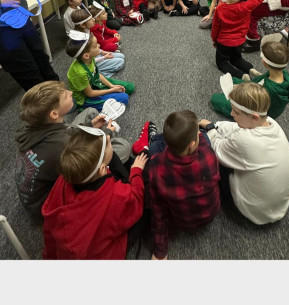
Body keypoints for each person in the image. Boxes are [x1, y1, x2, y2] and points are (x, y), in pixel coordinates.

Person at [14, 80, 131, 221]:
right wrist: (107, 133)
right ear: (54, 114)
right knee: (123, 147)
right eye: (66, 96)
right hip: (51, 203)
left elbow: (65, 130)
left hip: (42, 187)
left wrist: (91, 125)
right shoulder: (60, 145)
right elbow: (86, 155)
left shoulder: (34, 126)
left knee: (90, 113)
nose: (70, 92)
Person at [42, 125, 148, 259]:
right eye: (107, 144)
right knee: (147, 201)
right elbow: (135, 203)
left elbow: (48, 232)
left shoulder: (64, 179)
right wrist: (136, 171)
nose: (108, 138)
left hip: (71, 250)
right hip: (104, 255)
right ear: (103, 170)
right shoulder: (116, 195)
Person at [199, 82, 289, 225]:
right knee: (230, 138)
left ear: (254, 117)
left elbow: (218, 148)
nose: (231, 114)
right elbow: (235, 127)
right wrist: (217, 125)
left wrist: (210, 128)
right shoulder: (270, 122)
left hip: (254, 210)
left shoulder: (245, 140)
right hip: (277, 205)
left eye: (236, 113)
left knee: (207, 149)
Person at [146, 110, 221, 260]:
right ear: (192, 145)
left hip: (182, 222)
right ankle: (177, 136)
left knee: (154, 146)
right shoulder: (209, 155)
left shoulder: (156, 166)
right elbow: (202, 143)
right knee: (203, 133)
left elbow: (158, 211)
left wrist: (160, 251)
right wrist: (199, 133)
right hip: (210, 214)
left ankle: (157, 138)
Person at [210, 33, 289, 119]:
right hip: (260, 96)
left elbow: (251, 103)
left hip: (255, 110)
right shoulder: (283, 73)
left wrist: (240, 91)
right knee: (233, 80)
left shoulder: (268, 90)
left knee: (215, 99)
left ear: (264, 62)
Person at [211, 0, 266, 78]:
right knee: (237, 58)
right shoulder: (246, 6)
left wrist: (214, 40)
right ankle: (251, 70)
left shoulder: (220, 8)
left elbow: (215, 27)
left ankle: (242, 76)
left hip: (224, 41)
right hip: (239, 41)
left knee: (222, 63)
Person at [66, 30, 134, 111]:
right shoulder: (80, 73)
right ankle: (86, 107)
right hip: (86, 97)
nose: (99, 45)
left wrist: (111, 85)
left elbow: (97, 74)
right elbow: (90, 93)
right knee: (124, 98)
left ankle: (107, 91)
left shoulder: (89, 58)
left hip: (94, 82)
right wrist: (111, 90)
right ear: (86, 55)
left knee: (130, 87)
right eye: (95, 46)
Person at [71, 6, 125, 77]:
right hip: (91, 62)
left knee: (122, 56)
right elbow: (89, 60)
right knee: (121, 62)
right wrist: (104, 57)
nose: (94, 19)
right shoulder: (83, 39)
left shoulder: (88, 31)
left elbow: (96, 47)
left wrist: (103, 52)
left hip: (96, 54)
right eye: (90, 19)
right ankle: (96, 75)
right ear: (83, 25)